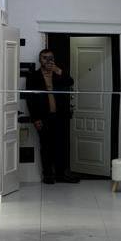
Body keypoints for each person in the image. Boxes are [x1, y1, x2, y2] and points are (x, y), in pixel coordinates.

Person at [24, 49, 80, 183]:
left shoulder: (58, 73)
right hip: (43, 117)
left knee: (61, 145)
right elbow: (30, 99)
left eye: (50, 58)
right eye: (45, 58)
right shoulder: (33, 76)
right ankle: (48, 175)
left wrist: (58, 70)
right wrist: (35, 119)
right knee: (46, 146)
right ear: (40, 60)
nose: (48, 60)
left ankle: (61, 174)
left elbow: (70, 82)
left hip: (60, 116)